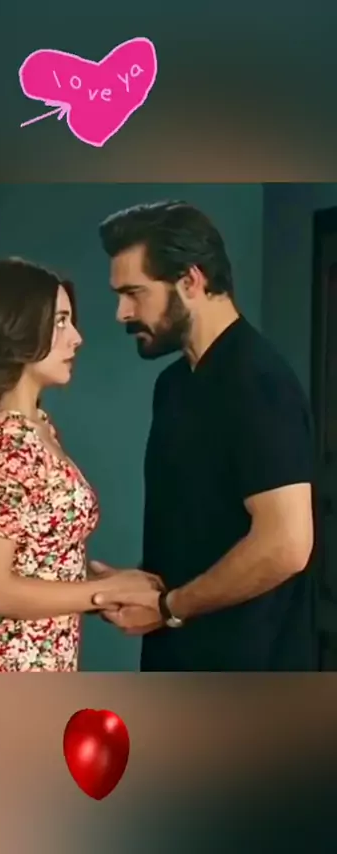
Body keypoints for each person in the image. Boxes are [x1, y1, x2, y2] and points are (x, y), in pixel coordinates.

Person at [90, 201, 317, 671]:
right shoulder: (173, 386)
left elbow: (287, 543)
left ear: (191, 281)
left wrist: (171, 606)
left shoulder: (258, 381)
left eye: (134, 293)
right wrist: (144, 588)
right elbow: (201, 529)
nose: (122, 313)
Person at [0, 257, 158, 671]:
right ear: (15, 328)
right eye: (61, 322)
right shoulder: (1, 438)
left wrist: (105, 588)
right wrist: (106, 592)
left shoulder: (38, 429)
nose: (77, 338)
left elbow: (34, 563)